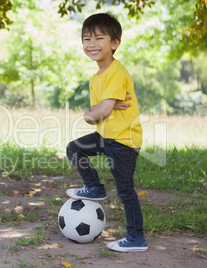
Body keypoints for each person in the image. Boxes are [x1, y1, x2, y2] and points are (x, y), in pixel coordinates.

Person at [65, 13, 147, 252]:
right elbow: (94, 116)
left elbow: (99, 111)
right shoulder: (96, 79)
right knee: (74, 148)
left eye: (99, 38)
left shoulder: (116, 72)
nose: (91, 44)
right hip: (105, 136)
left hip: (123, 140)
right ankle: (94, 187)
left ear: (114, 43)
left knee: (125, 190)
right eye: (86, 38)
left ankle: (136, 237)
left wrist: (99, 110)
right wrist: (95, 111)